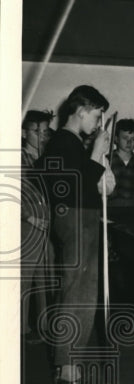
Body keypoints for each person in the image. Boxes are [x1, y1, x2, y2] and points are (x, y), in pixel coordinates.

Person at [41, 86, 115, 384]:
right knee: (79, 295)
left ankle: (68, 369)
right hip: (76, 218)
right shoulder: (64, 142)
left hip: (78, 219)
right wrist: (98, 147)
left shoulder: (66, 143)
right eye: (97, 115)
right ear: (82, 110)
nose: (98, 123)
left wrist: (94, 151)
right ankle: (68, 373)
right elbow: (80, 186)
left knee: (79, 292)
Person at [21, 110, 54, 340]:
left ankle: (44, 327)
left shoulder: (49, 157)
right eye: (36, 131)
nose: (41, 136)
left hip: (49, 224)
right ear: (25, 132)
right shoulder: (17, 157)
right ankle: (20, 329)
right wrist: (29, 217)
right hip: (27, 225)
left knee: (46, 277)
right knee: (24, 278)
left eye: (44, 131)